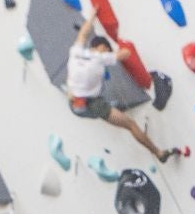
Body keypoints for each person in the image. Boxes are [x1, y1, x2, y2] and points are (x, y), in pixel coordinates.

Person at [67, 12, 169, 160]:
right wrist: (116, 46)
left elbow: (83, 33)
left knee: (88, 90)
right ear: (101, 47)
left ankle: (106, 104)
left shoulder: (76, 51)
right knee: (130, 124)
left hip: (74, 101)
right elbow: (126, 53)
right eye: (107, 49)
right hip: (91, 104)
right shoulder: (101, 58)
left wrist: (93, 14)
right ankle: (158, 152)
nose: (108, 51)